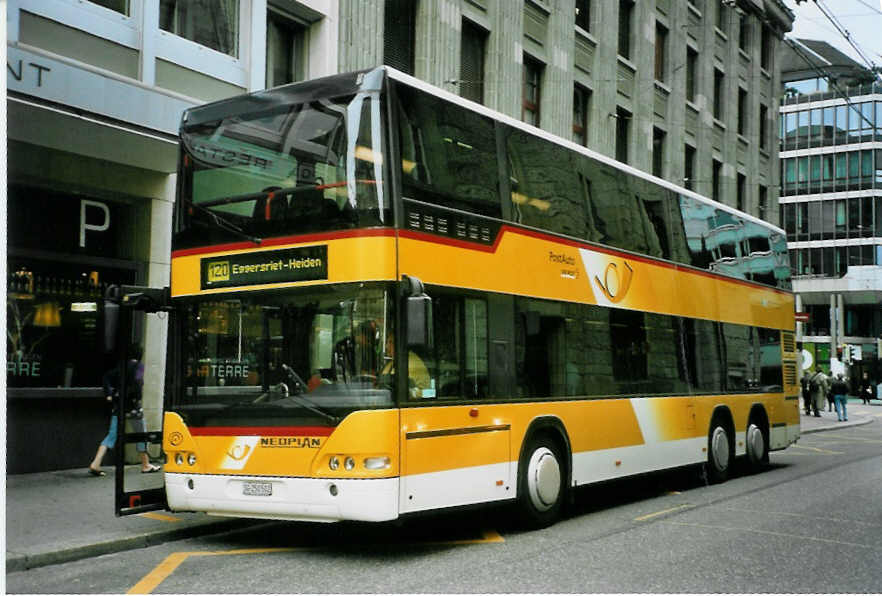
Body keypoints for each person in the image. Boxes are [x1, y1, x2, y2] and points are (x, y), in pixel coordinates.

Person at [88, 345, 160, 476]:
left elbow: (107, 377)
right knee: (141, 435)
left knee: (112, 435)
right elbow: (138, 384)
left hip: (119, 406)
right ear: (140, 354)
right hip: (133, 407)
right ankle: (146, 464)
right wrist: (137, 397)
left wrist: (109, 394)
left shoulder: (121, 366)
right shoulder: (139, 366)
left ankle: (96, 463)